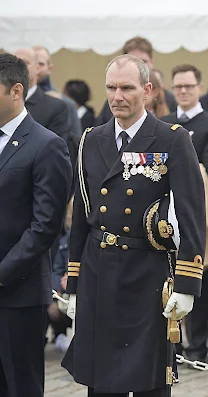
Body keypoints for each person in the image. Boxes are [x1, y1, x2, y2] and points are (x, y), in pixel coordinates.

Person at [61, 54, 207, 396]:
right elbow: (82, 216)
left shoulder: (171, 139)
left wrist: (187, 284)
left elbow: (192, 214)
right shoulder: (89, 140)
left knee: (150, 381)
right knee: (101, 381)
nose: (117, 97)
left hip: (148, 274)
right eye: (111, 88)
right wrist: (74, 283)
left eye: (127, 88)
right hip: (100, 273)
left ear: (148, 90)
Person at [0, 53, 72, 397]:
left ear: (16, 91)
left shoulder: (47, 145)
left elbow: (45, 226)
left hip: (17, 294)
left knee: (19, 386)